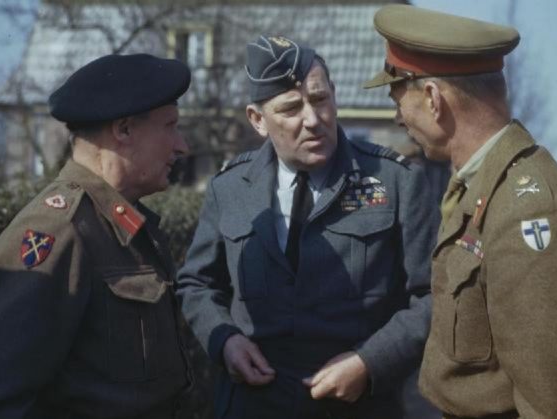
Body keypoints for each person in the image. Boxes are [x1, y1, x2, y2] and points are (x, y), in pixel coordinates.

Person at [364, 5, 557, 418]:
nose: (398, 118)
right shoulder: (485, 189)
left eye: (399, 99)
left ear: (433, 99)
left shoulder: (531, 210)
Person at [176, 35, 437, 419]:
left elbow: (435, 295)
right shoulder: (229, 187)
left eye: (319, 100)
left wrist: (370, 362)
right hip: (253, 403)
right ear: (257, 120)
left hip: (359, 405)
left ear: (334, 94)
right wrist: (225, 341)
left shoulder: (395, 181)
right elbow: (197, 284)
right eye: (291, 108)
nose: (312, 120)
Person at [0, 54, 194, 418]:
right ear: (123, 129)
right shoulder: (58, 230)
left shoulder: (122, 223)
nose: (181, 145)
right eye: (170, 126)